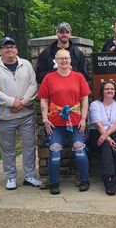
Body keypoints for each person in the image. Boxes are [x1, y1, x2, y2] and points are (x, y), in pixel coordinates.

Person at [0, 37, 41, 190]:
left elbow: (33, 84)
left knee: (30, 146)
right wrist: (11, 102)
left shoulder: (26, 64)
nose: (9, 49)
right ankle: (10, 177)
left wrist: (22, 102)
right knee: (8, 148)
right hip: (5, 115)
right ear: (0, 50)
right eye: (5, 47)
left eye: (12, 46)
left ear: (16, 49)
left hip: (26, 114)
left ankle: (30, 176)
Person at [38, 49, 91, 194]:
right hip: (55, 122)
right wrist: (45, 119)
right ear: (56, 60)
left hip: (75, 121)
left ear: (70, 60)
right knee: (55, 153)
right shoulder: (49, 78)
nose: (64, 61)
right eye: (60, 58)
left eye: (66, 58)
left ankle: (84, 180)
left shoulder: (78, 77)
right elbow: (44, 99)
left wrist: (84, 119)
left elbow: (85, 99)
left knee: (80, 151)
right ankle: (54, 182)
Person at [88, 79, 116, 195]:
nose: (110, 91)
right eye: (107, 89)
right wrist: (107, 138)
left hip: (113, 132)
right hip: (98, 134)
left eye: (112, 89)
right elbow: (98, 124)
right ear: (102, 91)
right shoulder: (95, 104)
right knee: (106, 145)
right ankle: (109, 180)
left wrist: (107, 135)